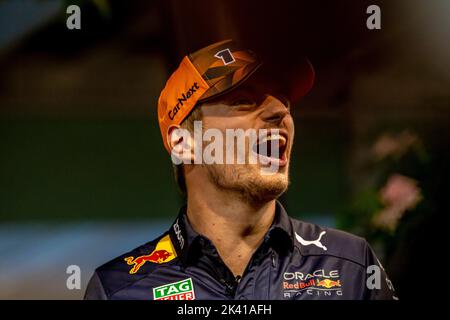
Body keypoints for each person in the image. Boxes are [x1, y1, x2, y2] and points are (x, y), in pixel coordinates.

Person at [84, 40, 397, 300]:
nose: (279, 112)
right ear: (183, 144)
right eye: (245, 101)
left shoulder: (351, 265)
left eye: (284, 101)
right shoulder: (118, 289)